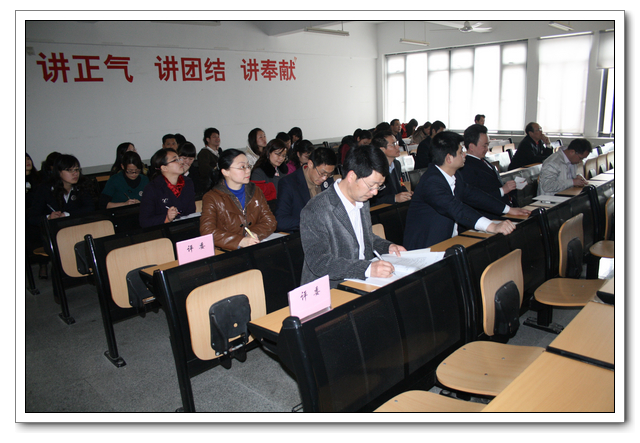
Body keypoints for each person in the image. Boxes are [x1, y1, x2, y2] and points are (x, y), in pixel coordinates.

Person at [300, 144, 406, 289]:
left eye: (379, 186)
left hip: (362, 282)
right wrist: (366, 269)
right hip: (330, 289)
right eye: (372, 185)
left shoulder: (362, 200)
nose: (375, 192)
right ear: (351, 176)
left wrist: (387, 247)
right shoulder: (316, 210)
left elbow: (364, 237)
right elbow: (320, 262)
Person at [403, 131, 530, 250]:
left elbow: (475, 196)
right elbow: (456, 208)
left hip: (449, 241)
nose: (465, 155)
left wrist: (508, 209)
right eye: (461, 152)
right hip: (427, 247)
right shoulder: (431, 182)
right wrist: (492, 226)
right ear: (449, 159)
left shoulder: (455, 175)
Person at [200, 149, 276, 250]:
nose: (248, 170)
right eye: (242, 167)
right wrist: (239, 241)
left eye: (248, 166)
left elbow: (270, 221)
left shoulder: (255, 191)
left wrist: (254, 233)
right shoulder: (212, 197)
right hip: (227, 251)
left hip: (253, 246)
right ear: (225, 172)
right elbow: (207, 231)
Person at [460, 124, 516, 216]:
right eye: (484, 146)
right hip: (489, 215)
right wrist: (502, 190)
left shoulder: (483, 160)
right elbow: (475, 197)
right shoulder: (466, 167)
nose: (487, 149)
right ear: (471, 147)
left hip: (501, 208)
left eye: (488, 145)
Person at [276, 147, 337, 232]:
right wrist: (312, 222)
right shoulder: (288, 184)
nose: (324, 178)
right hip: (301, 234)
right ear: (310, 164)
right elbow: (281, 221)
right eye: (322, 173)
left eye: (329, 174)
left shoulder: (329, 181)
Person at [28, 154, 96, 226]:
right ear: (58, 172)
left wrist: (67, 214)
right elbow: (32, 218)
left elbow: (90, 208)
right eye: (70, 170)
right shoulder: (45, 189)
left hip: (78, 227)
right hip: (55, 228)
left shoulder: (82, 185)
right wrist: (49, 217)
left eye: (76, 169)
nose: (75, 173)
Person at [139, 148, 195, 228]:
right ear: (164, 168)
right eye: (175, 160)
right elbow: (145, 221)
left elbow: (191, 211)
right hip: (163, 230)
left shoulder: (188, 182)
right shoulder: (152, 188)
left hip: (186, 227)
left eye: (179, 159)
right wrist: (166, 218)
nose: (181, 162)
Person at [370, 131, 413, 205]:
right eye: (393, 144)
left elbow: (400, 185)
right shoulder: (374, 170)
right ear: (382, 150)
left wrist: (407, 194)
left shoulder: (396, 164)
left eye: (397, 143)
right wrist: (394, 198)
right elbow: (372, 199)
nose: (398, 146)